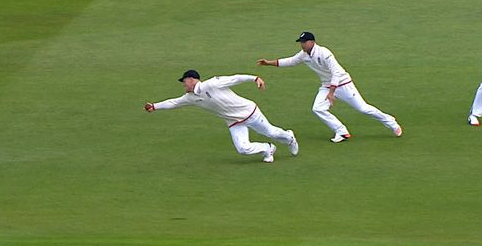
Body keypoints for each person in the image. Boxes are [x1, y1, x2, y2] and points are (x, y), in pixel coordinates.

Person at [257, 31, 402, 143]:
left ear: (312, 42)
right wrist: (268, 63)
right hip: (327, 86)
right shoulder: (304, 54)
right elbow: (290, 61)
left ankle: (391, 122)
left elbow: (336, 72)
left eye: (304, 42)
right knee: (317, 108)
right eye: (301, 42)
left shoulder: (324, 52)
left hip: (343, 84)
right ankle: (341, 131)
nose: (302, 45)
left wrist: (332, 92)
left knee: (363, 108)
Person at [144, 70, 299, 163]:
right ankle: (268, 149)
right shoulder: (190, 97)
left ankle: (290, 137)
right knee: (243, 149)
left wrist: (255, 78)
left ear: (191, 80)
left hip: (249, 112)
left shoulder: (212, 84)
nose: (184, 85)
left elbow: (235, 78)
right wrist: (154, 107)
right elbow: (173, 102)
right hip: (233, 121)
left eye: (184, 82)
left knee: (272, 133)